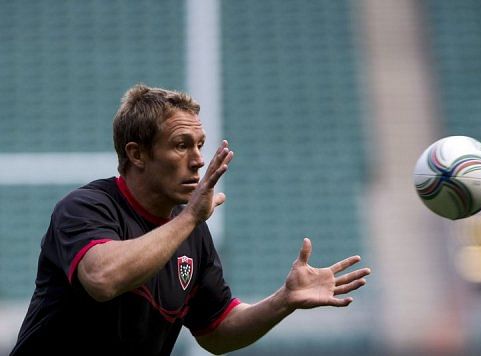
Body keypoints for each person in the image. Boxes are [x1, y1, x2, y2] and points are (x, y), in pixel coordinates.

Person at [10, 84, 371, 356]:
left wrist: (283, 300)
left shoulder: (193, 233)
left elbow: (216, 330)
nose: (198, 159)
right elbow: (102, 278)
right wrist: (189, 220)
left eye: (200, 144)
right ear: (137, 154)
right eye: (182, 145)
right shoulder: (86, 207)